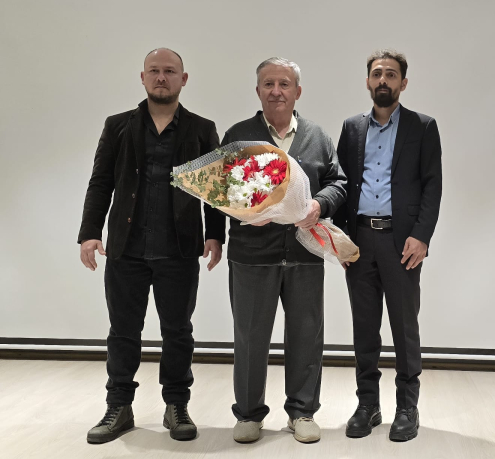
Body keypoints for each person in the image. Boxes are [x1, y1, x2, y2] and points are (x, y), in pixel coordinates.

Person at [78, 48, 225, 444]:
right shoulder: (118, 126)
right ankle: (119, 406)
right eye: (155, 71)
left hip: (179, 248)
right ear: (142, 77)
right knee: (123, 331)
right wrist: (90, 232)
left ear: (183, 79)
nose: (162, 77)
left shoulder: (201, 129)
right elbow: (100, 182)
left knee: (178, 331)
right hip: (126, 248)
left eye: (170, 71)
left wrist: (216, 235)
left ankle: (176, 405)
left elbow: (214, 188)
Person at [223, 57, 346, 444]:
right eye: (268, 83)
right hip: (251, 255)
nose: (276, 91)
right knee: (249, 336)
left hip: (305, 253)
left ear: (297, 91)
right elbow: (220, 189)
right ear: (258, 90)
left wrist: (320, 204)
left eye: (284, 84)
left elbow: (338, 182)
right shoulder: (238, 136)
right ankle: (248, 414)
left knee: (307, 334)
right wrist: (245, 210)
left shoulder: (318, 136)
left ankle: (302, 412)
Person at [334, 49, 442, 442]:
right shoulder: (352, 128)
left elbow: (432, 185)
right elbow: (341, 183)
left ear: (403, 83)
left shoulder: (422, 127)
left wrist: (422, 236)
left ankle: (407, 407)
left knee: (404, 328)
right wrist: (340, 238)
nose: (383, 80)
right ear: (368, 81)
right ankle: (368, 405)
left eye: (391, 74)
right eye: (377, 73)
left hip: (403, 244)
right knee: (364, 329)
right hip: (360, 241)